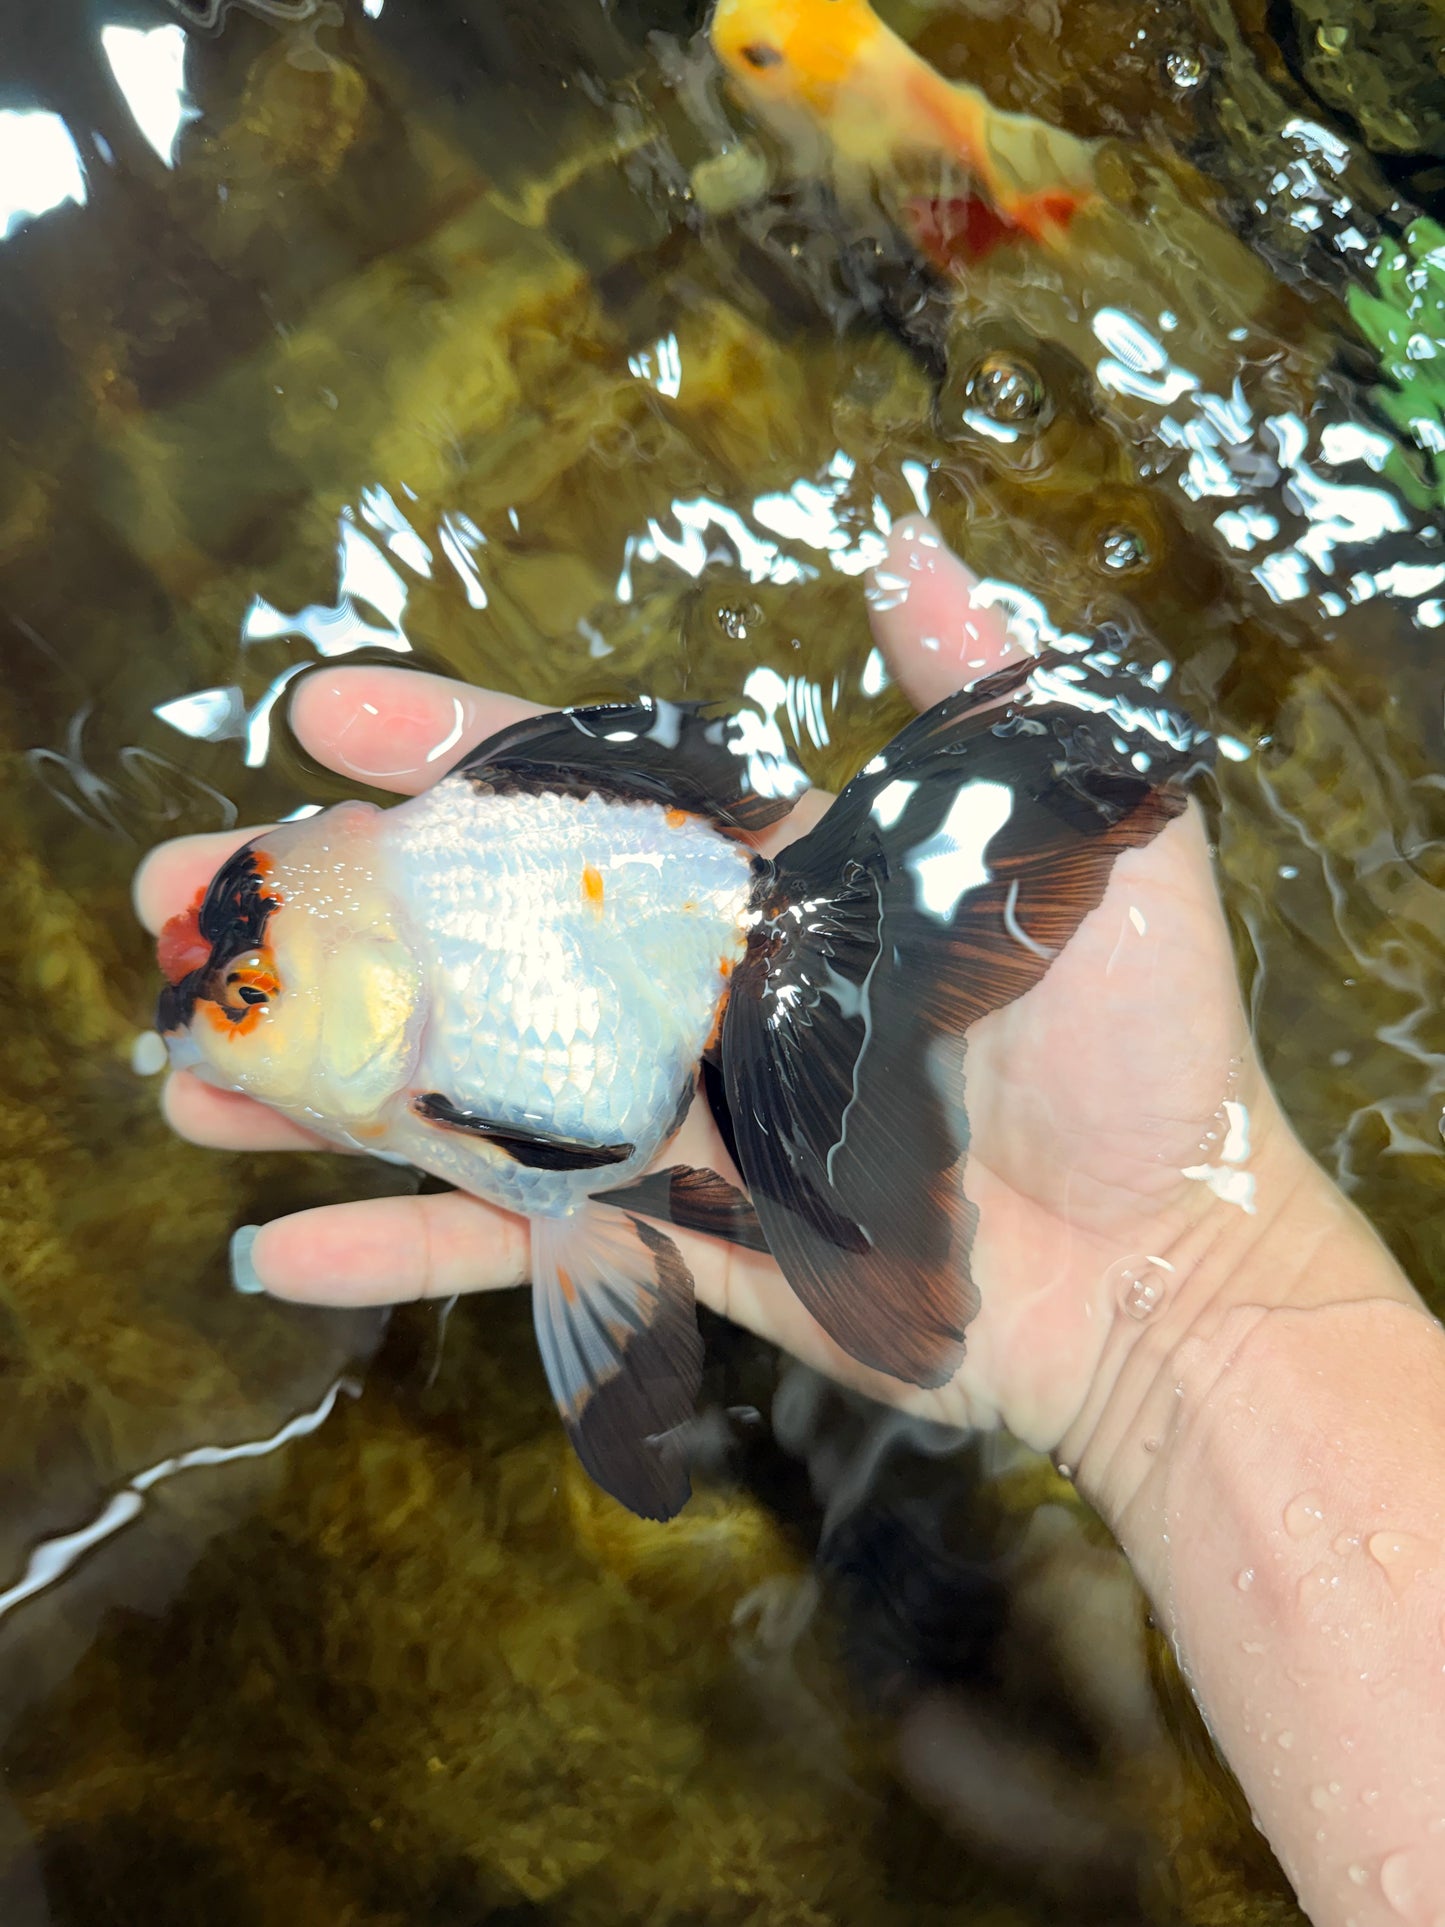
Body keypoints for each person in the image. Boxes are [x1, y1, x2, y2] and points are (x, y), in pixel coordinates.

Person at [134, 517, 1445, 1926]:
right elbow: (570, 1192)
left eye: (249, 1006)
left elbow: (566, 1181)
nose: (208, 1031)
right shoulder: (385, 934)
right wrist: (1181, 1303)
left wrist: (1181, 1300)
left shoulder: (451, 985)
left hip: (681, 971)